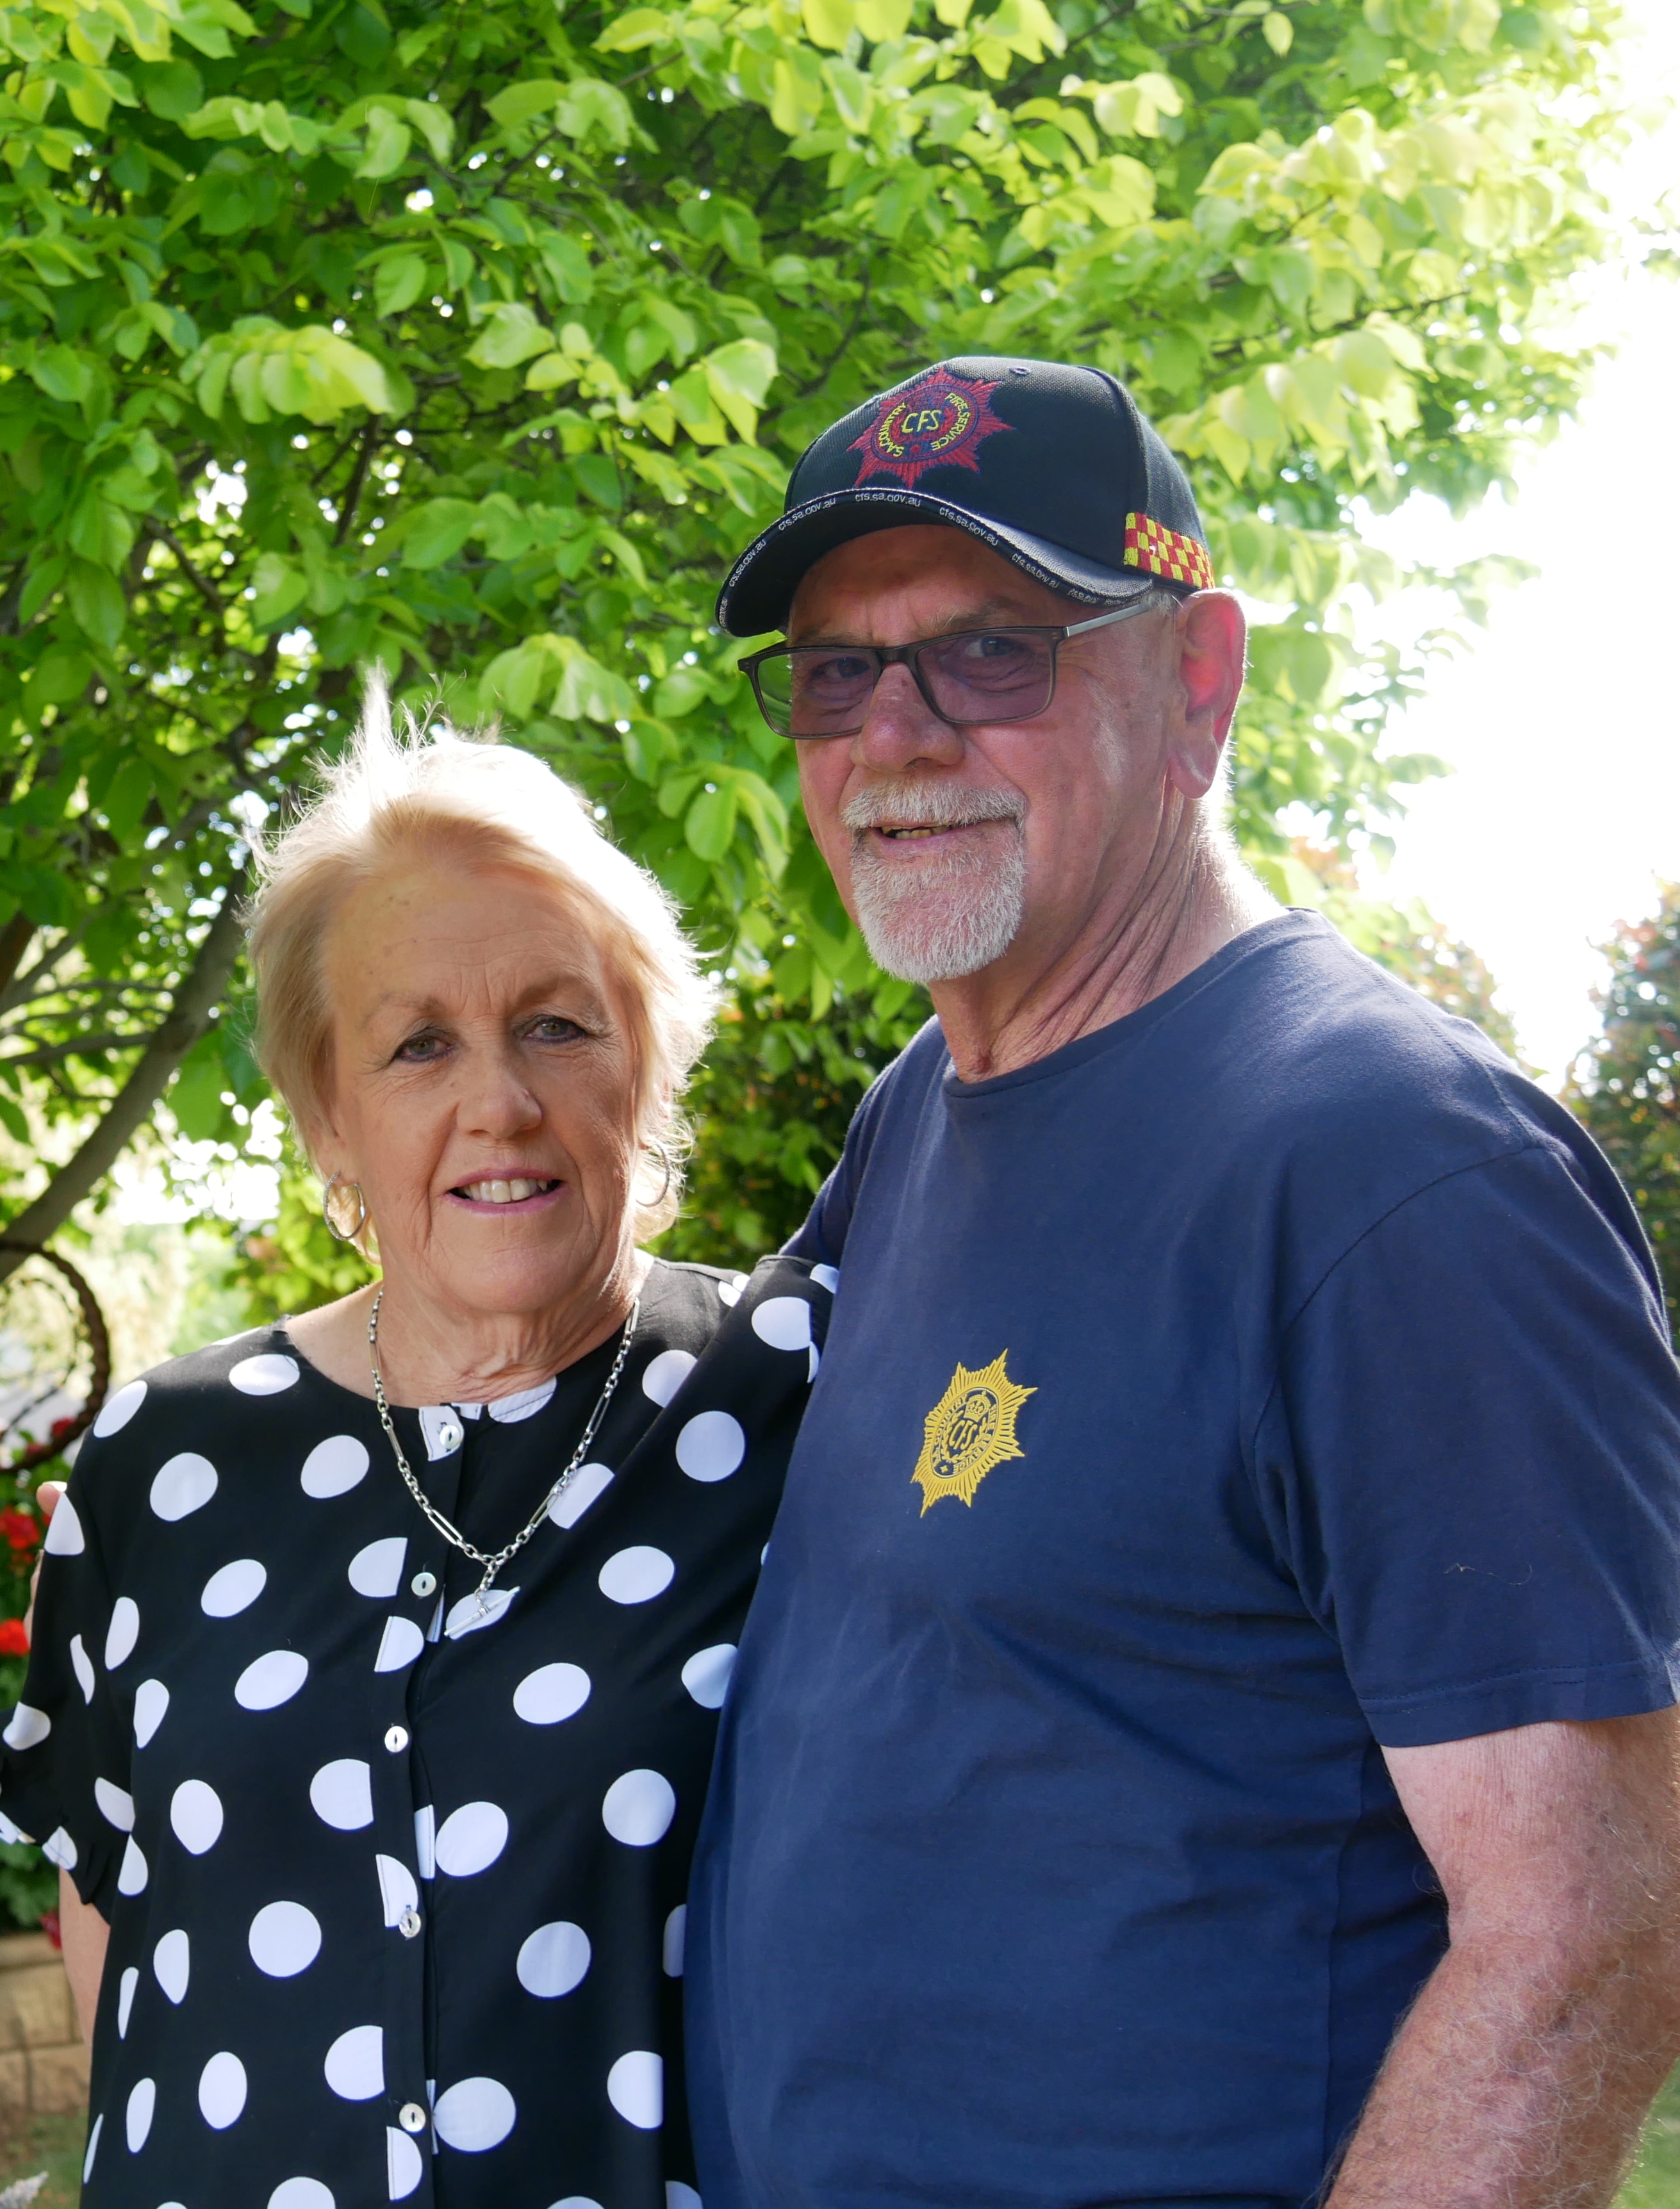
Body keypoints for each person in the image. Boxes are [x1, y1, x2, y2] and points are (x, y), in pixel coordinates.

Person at [685, 356, 1680, 2207]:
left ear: (1200, 682)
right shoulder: (928, 1109)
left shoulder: (1394, 1173)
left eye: (993, 651)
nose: (894, 739)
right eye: (836, 672)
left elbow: (1589, 1935)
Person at [0, 693, 826, 2206]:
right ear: (327, 1118)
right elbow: (112, 1925)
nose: (498, 1102)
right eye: (417, 1045)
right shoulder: (165, 1463)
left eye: (557, 1022)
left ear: (651, 1058)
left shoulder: (792, 1403)